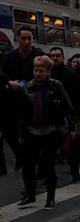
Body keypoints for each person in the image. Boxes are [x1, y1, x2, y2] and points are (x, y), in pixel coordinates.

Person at [17, 55, 78, 209]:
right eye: (36, 70)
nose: (38, 74)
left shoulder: (55, 86)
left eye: (41, 71)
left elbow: (68, 107)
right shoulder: (28, 87)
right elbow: (22, 112)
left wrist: (72, 128)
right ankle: (30, 195)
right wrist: (21, 133)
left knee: (48, 165)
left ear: (48, 72)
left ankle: (50, 197)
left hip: (51, 130)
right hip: (32, 130)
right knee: (28, 165)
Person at [1, 26, 44, 173]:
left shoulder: (39, 56)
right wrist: (9, 83)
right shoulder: (9, 57)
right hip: (11, 102)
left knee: (31, 136)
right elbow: (2, 76)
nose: (26, 41)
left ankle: (32, 165)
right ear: (18, 39)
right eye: (23, 38)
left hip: (32, 103)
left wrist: (24, 85)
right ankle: (20, 156)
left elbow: (42, 77)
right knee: (8, 132)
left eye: (29, 38)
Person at [49, 47, 80, 183]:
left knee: (68, 149)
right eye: (52, 56)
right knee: (49, 150)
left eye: (57, 55)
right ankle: (47, 177)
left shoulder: (70, 75)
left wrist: (74, 121)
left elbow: (76, 98)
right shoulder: (48, 73)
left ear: (63, 57)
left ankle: (75, 173)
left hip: (66, 118)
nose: (55, 58)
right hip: (50, 118)